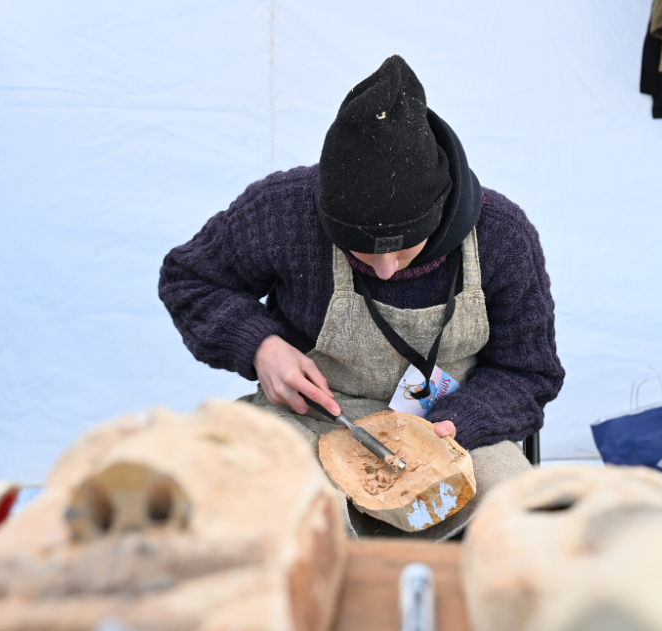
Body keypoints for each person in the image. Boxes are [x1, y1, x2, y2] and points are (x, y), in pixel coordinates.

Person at [158, 55, 564, 539]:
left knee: (520, 524)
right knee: (275, 512)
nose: (385, 270)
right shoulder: (283, 211)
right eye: (361, 251)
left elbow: (527, 371)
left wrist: (458, 424)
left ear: (439, 214)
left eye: (402, 249)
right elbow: (190, 279)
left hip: (451, 429)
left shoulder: (501, 235)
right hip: (311, 419)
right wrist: (260, 346)